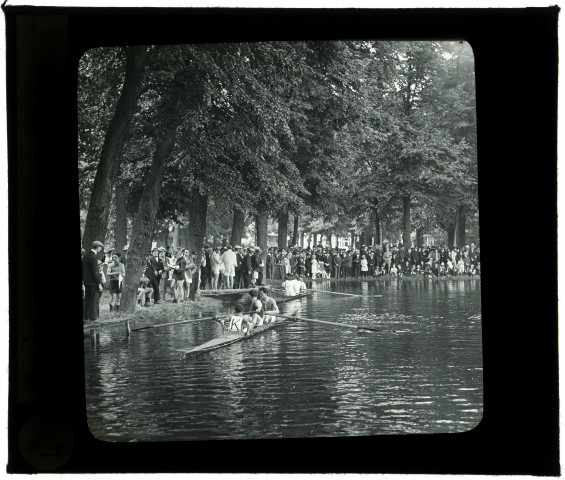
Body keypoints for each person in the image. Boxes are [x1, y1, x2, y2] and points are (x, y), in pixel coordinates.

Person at [82, 240, 104, 322]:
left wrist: (83, 280)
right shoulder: (93, 257)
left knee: (87, 299)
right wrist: (99, 283)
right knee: (93, 300)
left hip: (87, 281)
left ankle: (85, 317)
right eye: (100, 248)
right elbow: (95, 272)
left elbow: (83, 269)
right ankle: (93, 318)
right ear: (97, 247)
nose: (100, 249)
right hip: (93, 282)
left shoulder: (86, 255)